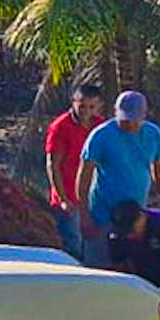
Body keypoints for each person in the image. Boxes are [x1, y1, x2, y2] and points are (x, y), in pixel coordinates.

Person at [75, 90, 160, 268]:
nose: (129, 124)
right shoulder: (101, 136)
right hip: (103, 216)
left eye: (134, 119)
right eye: (125, 119)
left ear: (144, 115)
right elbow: (84, 178)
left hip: (136, 217)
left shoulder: (153, 135)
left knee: (133, 269)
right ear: (115, 112)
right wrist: (84, 217)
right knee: (100, 269)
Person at [43, 81, 104, 260]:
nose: (86, 111)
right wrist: (62, 199)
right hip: (69, 196)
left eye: (92, 106)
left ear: (99, 105)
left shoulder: (100, 126)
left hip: (93, 196)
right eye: (82, 106)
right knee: (73, 244)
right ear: (73, 102)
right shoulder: (60, 127)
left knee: (95, 243)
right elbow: (53, 164)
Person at [106, 199, 160, 287]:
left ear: (141, 217)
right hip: (145, 284)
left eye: (131, 230)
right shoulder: (115, 236)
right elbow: (120, 266)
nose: (128, 236)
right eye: (124, 232)